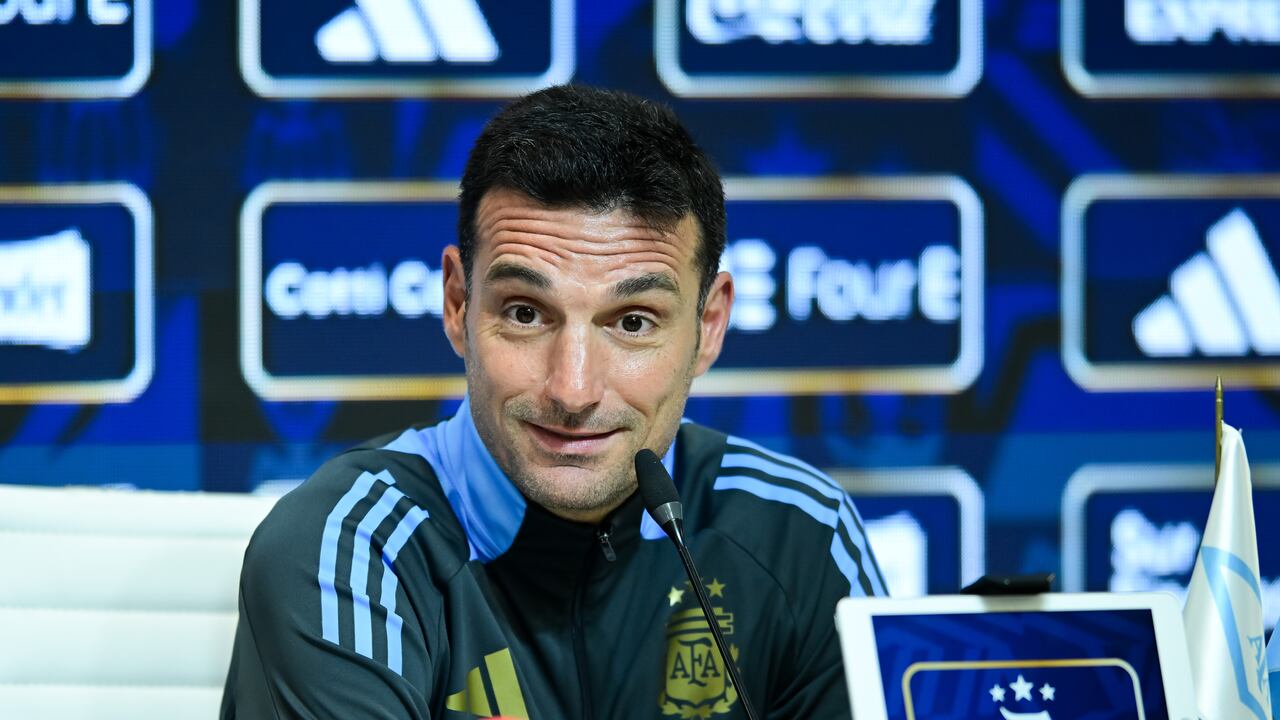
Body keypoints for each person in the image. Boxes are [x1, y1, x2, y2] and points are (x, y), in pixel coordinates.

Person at [221, 85, 887, 720]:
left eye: (632, 323)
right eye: (525, 312)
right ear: (457, 303)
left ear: (708, 326)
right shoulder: (350, 547)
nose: (572, 390)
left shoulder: (800, 534)